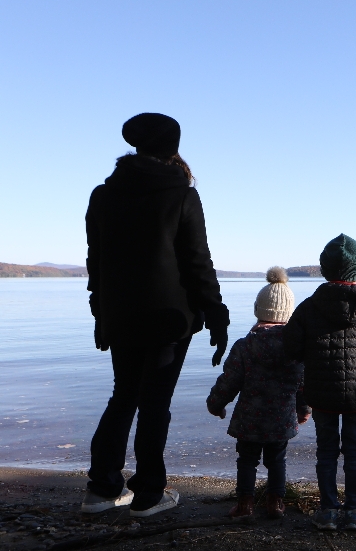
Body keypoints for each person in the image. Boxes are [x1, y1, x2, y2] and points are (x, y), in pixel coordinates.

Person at [82, 113, 230, 517]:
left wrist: (101, 312)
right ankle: (148, 493)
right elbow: (198, 262)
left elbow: (98, 263)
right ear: (172, 148)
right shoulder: (182, 194)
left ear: (136, 146)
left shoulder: (103, 194)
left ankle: (101, 488)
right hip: (169, 319)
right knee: (154, 402)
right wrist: (216, 313)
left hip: (120, 315)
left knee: (124, 395)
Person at [283, 234, 356, 530]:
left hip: (321, 395)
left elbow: (291, 348)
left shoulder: (308, 307)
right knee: (355, 450)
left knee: (326, 451)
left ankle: (329, 510)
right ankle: (355, 509)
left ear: (324, 268)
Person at [206, 267, 311, 519]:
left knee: (246, 461)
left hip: (249, 419)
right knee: (277, 460)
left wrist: (216, 403)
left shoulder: (245, 345)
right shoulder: (296, 349)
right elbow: (303, 383)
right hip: (281, 418)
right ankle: (275, 503)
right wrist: (304, 409)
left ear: (258, 310)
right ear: (289, 314)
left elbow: (229, 380)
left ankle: (245, 505)